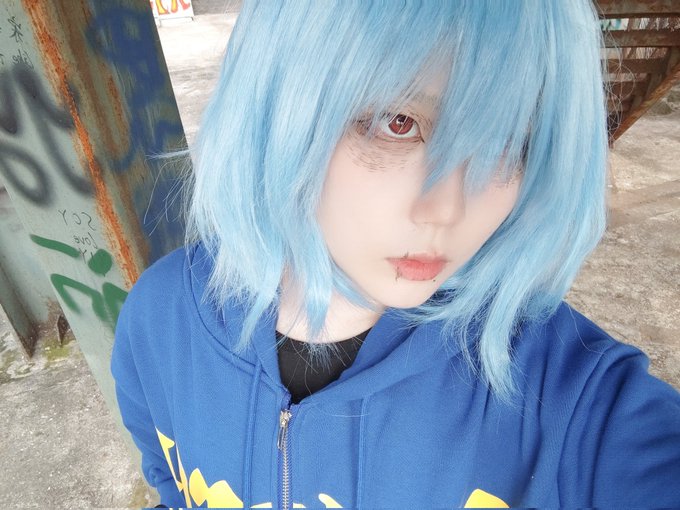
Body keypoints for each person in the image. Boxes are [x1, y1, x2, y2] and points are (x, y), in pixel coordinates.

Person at [112, 1, 680, 508]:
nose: (448, 209)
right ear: (279, 97)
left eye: (508, 142)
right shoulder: (159, 321)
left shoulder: (569, 397)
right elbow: (170, 484)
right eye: (397, 121)